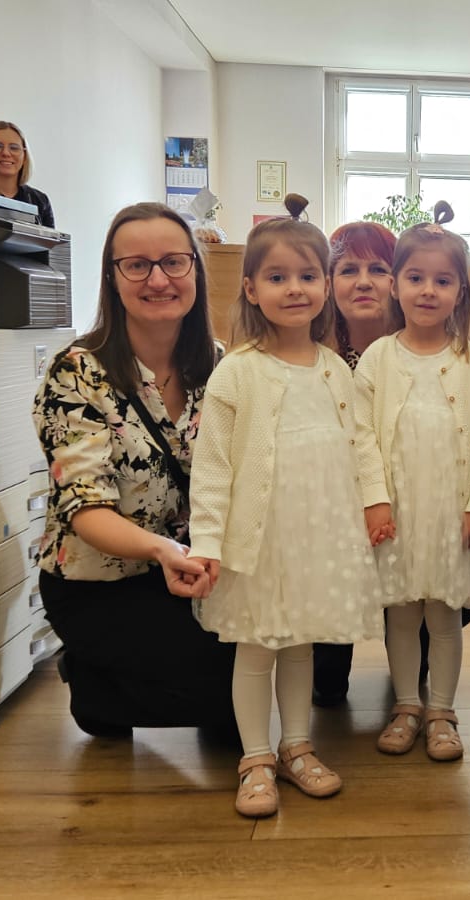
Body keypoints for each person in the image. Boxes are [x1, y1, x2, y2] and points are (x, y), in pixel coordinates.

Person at [186, 194, 385, 819]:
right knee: (256, 647)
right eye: (277, 277)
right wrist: (207, 542)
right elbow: (212, 468)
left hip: (319, 533)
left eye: (307, 276)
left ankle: (297, 746)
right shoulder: (236, 372)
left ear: (325, 285)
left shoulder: (336, 370)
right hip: (258, 540)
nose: (294, 289)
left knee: (301, 644)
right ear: (250, 288)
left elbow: (362, 443)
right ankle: (255, 758)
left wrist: (375, 502)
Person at [32, 202, 234, 744]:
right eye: (137, 265)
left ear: (195, 269)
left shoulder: (219, 365)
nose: (158, 279)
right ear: (112, 277)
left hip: (194, 571)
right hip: (102, 583)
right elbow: (86, 509)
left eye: (173, 262)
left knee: (252, 681)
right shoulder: (77, 372)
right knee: (222, 685)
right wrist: (163, 551)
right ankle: (92, 682)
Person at [354, 202, 470, 761]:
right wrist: (374, 499)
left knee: (444, 615)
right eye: (415, 278)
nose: (428, 291)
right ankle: (406, 704)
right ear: (395, 286)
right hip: (397, 510)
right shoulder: (377, 359)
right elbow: (361, 436)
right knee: (401, 612)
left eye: (442, 281)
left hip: (448, 511)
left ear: (460, 292)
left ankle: (441, 709)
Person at [310, 219, 397, 704]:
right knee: (325, 691)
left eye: (378, 269)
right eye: (348, 270)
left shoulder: (421, 350)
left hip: (402, 512)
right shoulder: (308, 353)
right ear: (329, 282)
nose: (363, 282)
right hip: (331, 516)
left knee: (417, 659)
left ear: (397, 280)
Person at [0, 120, 55, 228]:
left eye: (14, 148)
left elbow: (50, 239)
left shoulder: (39, 201)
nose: (5, 153)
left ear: (24, 156)